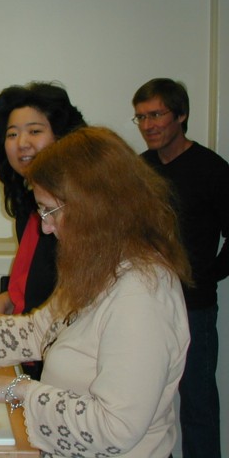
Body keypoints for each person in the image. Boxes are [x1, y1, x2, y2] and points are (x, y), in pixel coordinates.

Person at [0, 126, 191, 458]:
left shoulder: (141, 295)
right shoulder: (100, 267)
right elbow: (38, 329)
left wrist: (18, 390)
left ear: (94, 208)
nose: (45, 226)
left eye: (50, 211)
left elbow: (114, 428)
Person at [132, 78, 229, 458]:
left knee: (198, 404)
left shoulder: (212, 169)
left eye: (156, 114)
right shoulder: (139, 170)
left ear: (181, 115)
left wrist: (206, 274)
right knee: (147, 405)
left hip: (194, 308)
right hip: (146, 305)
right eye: (141, 117)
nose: (148, 125)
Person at [0, 82, 85, 379]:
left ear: (62, 137)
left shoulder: (79, 210)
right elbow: (30, 280)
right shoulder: (29, 206)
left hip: (62, 358)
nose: (22, 142)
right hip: (31, 350)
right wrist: (4, 301)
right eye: (12, 134)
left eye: (35, 131)